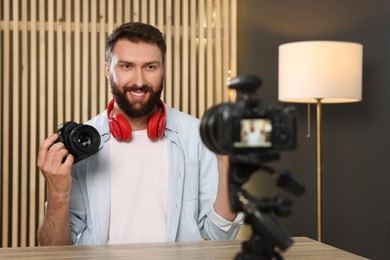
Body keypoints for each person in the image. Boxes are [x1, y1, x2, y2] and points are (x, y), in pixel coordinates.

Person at [37, 22, 243, 246]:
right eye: (126, 66)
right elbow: (53, 250)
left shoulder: (197, 135)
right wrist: (57, 194)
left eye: (150, 67)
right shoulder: (82, 143)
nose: (139, 81)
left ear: (163, 69)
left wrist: (227, 170)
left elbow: (220, 235)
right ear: (107, 69)